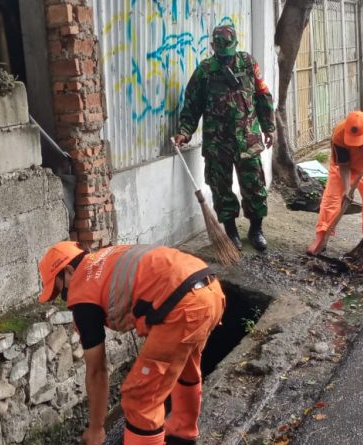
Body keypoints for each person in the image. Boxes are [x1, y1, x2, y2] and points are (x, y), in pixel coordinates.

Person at [37, 242, 226, 445]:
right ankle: (182, 433)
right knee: (184, 366)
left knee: (139, 398)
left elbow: (97, 371)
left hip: (184, 307)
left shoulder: (83, 296)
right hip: (210, 288)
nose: (65, 298)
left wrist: (96, 428)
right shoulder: (105, 257)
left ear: (68, 271)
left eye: (60, 290)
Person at [174, 24, 276, 252]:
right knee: (221, 189)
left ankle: (256, 230)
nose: (225, 58)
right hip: (217, 142)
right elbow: (192, 105)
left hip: (248, 139)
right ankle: (231, 233)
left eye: (228, 52)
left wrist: (269, 127)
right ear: (213, 47)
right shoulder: (205, 71)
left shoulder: (248, 64)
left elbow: (262, 95)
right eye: (220, 52)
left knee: (255, 187)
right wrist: (185, 131)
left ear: (235, 45)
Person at [306, 111, 363, 255]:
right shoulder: (339, 134)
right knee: (331, 200)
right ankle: (321, 237)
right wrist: (346, 189)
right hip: (341, 169)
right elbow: (343, 165)